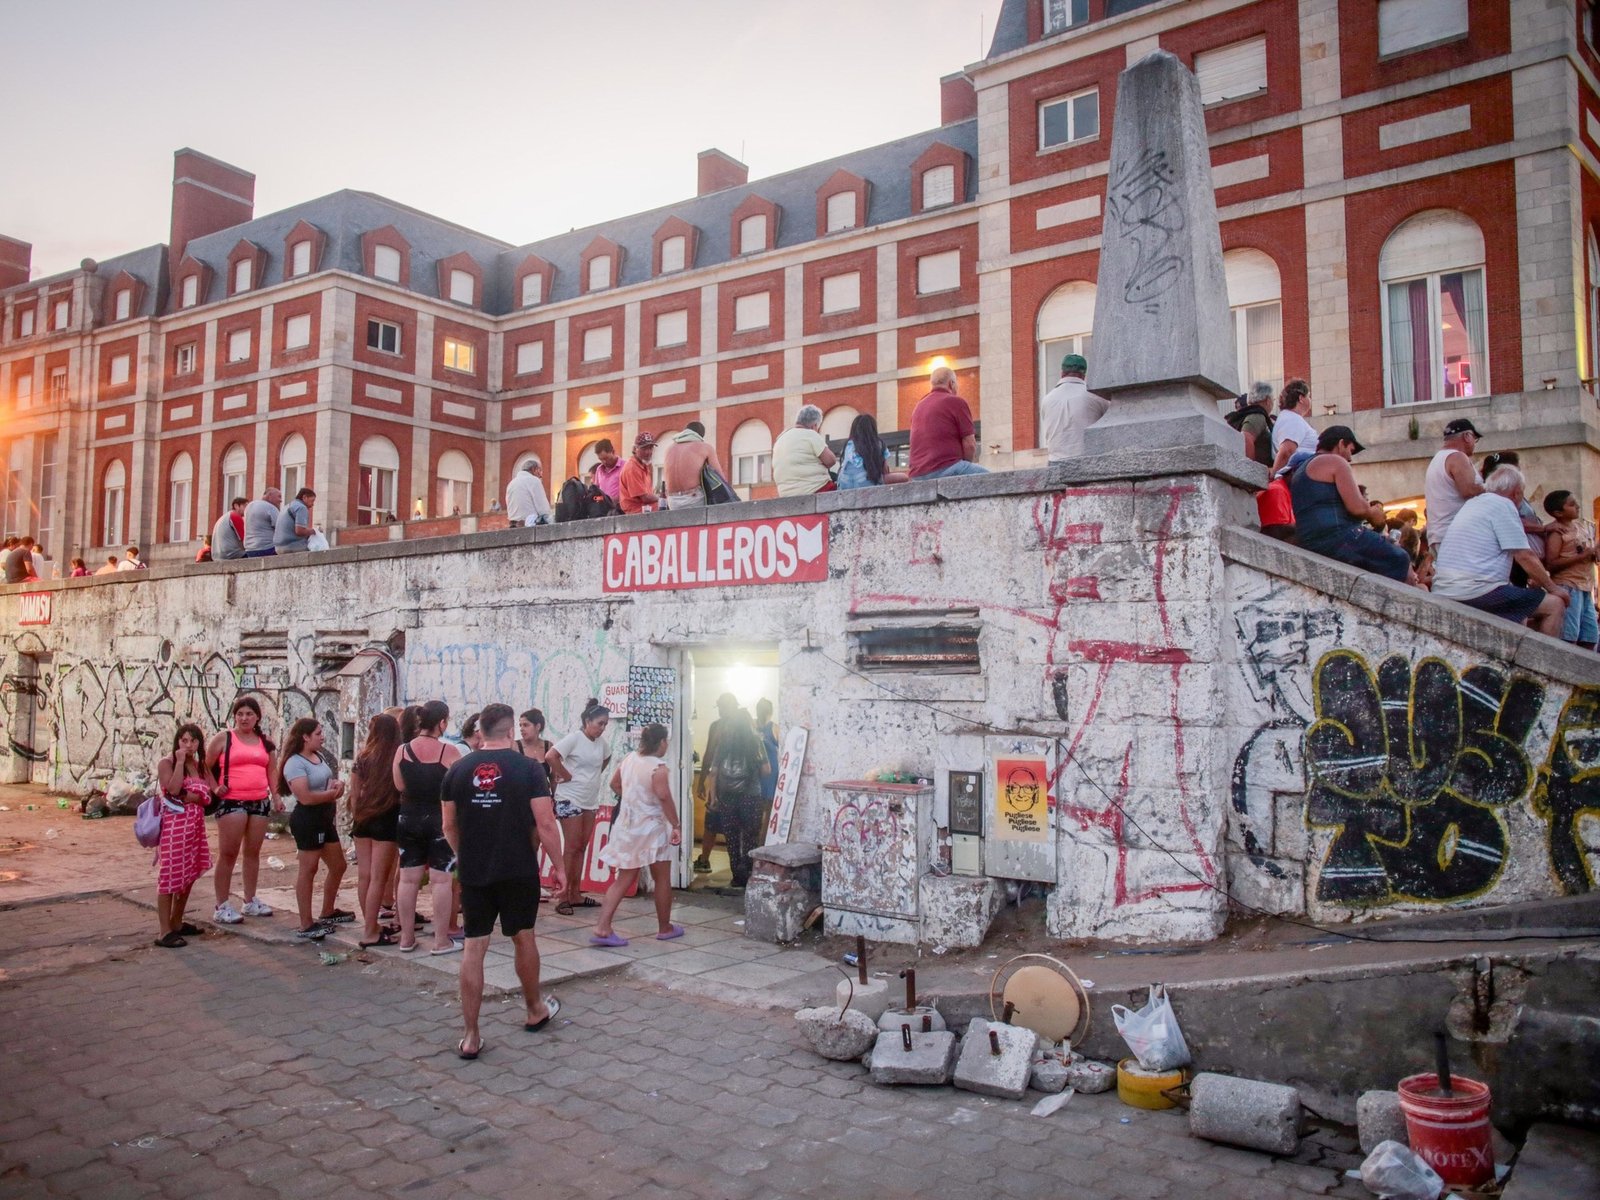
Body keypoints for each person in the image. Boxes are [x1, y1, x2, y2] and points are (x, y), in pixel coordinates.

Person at [440, 703, 563, 1060]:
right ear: (510, 732)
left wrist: (467, 853)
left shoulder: (458, 769)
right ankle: (534, 1008)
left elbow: (448, 825)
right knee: (523, 938)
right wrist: (560, 866)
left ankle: (471, 1036)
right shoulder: (528, 769)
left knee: (473, 948)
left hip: (475, 872)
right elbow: (545, 823)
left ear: (480, 731)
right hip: (518, 869)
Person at [1433, 465, 1567, 635]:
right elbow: (1524, 556)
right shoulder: (1504, 505)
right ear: (1517, 492)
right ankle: (1544, 660)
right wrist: (1553, 588)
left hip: (1445, 588)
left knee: (1521, 608)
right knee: (1555, 604)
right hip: (1474, 592)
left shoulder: (1472, 504)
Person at [590, 723, 683, 947]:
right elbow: (663, 796)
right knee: (662, 878)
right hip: (651, 828)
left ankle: (603, 927)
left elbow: (614, 784)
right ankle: (665, 927)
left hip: (628, 826)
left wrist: (632, 799)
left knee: (624, 877)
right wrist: (676, 824)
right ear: (661, 742)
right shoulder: (658, 767)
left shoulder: (630, 759)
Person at [1287, 427, 1412, 582]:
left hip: (1310, 540)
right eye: (1350, 451)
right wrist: (1374, 513)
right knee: (1400, 557)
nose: (1350, 459)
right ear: (1341, 444)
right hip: (1337, 537)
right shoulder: (1335, 461)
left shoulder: (1301, 470)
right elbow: (1358, 508)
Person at [392, 700, 462, 954]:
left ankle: (406, 938)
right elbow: (458, 790)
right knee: (441, 881)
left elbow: (399, 785)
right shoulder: (450, 752)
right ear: (442, 723)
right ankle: (441, 940)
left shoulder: (402, 751)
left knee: (408, 879)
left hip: (408, 817)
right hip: (439, 818)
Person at [204, 697, 277, 925]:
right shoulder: (224, 738)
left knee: (253, 852)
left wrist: (275, 795)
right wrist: (215, 787)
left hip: (259, 801)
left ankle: (249, 899)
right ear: (234, 716)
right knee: (228, 853)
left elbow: (272, 769)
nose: (244, 718)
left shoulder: (265, 743)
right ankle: (222, 904)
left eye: (249, 714)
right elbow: (205, 766)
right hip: (232, 801)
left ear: (257, 717)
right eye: (240, 714)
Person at [278, 717, 348, 941]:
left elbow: (325, 782)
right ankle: (305, 923)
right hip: (308, 819)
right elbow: (305, 797)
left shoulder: (318, 756)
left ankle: (327, 911)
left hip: (325, 818)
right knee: (308, 870)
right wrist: (332, 795)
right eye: (318, 733)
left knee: (338, 865)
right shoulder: (294, 763)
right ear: (305, 737)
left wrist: (337, 786)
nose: (322, 737)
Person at [544, 699, 612, 915]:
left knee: (581, 847)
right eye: (599, 723)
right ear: (587, 721)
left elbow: (606, 760)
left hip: (589, 800)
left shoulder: (602, 744)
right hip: (569, 798)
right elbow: (551, 756)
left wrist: (590, 778)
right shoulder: (574, 738)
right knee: (571, 847)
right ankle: (562, 895)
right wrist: (566, 775)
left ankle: (575, 892)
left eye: (605, 725)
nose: (602, 728)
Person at [153, 723, 212, 948]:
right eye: (184, 740)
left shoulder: (198, 765)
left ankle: (177, 921)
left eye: (193, 740)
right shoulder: (167, 763)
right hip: (175, 827)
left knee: (189, 874)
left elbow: (208, 796)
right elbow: (174, 789)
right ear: (177, 741)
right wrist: (179, 763)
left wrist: (198, 798)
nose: (188, 745)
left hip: (195, 827)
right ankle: (164, 930)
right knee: (170, 876)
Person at [349, 712, 404, 947]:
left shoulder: (362, 757)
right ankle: (370, 931)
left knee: (364, 876)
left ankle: (369, 924)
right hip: (387, 818)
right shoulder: (397, 757)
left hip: (363, 818)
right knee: (379, 879)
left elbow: (354, 795)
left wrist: (357, 815)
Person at [707, 708, 770, 890]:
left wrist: (713, 797)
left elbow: (714, 772)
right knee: (750, 836)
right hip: (751, 795)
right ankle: (748, 874)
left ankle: (736, 876)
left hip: (727, 796)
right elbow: (767, 770)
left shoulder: (724, 742)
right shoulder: (756, 741)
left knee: (732, 837)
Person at [1542, 489, 1598, 649]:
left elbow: (1588, 551)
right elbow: (1551, 564)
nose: (1577, 507)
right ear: (1558, 513)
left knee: (1590, 637)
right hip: (1568, 586)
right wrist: (1583, 556)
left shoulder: (1580, 527)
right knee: (1569, 636)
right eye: (1572, 505)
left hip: (1585, 587)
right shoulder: (1557, 532)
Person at [909, 366, 987, 479]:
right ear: (951, 384)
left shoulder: (918, 407)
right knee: (996, 480)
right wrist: (967, 465)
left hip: (917, 475)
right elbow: (970, 444)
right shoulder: (956, 402)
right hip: (946, 468)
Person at [694, 693, 741, 874]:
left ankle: (726, 864)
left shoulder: (730, 727)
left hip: (725, 785)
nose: (721, 710)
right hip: (729, 785)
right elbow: (708, 754)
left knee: (720, 825)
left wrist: (703, 781)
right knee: (714, 823)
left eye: (722, 706)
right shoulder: (723, 726)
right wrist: (702, 781)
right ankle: (709, 860)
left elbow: (709, 754)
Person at [1422, 418, 1484, 551]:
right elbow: (1468, 490)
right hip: (1457, 536)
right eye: (1475, 438)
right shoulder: (1457, 457)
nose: (1474, 443)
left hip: (1439, 535)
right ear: (1467, 436)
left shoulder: (1437, 459)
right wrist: (1491, 487)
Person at [1040, 354, 1109, 462]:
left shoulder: (1046, 400)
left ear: (1062, 373)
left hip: (1055, 464)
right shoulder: (1097, 397)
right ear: (1084, 375)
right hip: (1087, 463)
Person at [772, 404, 838, 496]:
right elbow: (831, 461)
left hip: (785, 494)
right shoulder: (810, 434)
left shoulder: (780, 439)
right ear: (814, 426)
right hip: (814, 489)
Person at [662, 422, 731, 509]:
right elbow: (720, 477)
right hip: (693, 498)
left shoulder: (669, 448)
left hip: (672, 500)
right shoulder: (705, 447)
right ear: (700, 436)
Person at [835, 413, 909, 490]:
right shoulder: (877, 444)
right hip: (867, 482)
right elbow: (885, 471)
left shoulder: (847, 445)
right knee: (904, 477)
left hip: (844, 486)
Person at [1268, 379, 1317, 477]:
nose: (1310, 400)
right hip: (1302, 476)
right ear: (1301, 398)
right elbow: (1287, 451)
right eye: (1308, 396)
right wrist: (1274, 477)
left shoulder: (1289, 418)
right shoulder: (1292, 419)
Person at [1226, 381, 1277, 467]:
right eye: (1273, 399)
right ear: (1268, 400)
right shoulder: (1257, 416)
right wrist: (1251, 469)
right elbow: (1246, 438)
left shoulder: (1248, 414)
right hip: (1256, 474)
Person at [755, 697, 780, 833]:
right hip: (757, 771)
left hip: (770, 772)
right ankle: (758, 838)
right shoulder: (752, 726)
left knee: (768, 807)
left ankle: (763, 839)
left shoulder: (774, 728)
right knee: (758, 807)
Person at [617, 433, 659, 514]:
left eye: (650, 448)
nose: (648, 452)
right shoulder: (632, 468)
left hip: (645, 508)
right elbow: (645, 498)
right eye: (644, 448)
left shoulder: (643, 464)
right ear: (635, 449)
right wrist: (663, 498)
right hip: (636, 511)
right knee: (667, 505)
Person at [505, 458, 552, 527]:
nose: (540, 475)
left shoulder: (511, 483)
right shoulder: (534, 480)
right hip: (529, 525)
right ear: (533, 469)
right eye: (539, 470)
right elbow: (543, 508)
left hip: (513, 526)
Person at [274, 486, 316, 553]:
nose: (313, 504)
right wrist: (314, 531)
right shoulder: (301, 507)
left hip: (278, 547)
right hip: (292, 546)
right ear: (305, 497)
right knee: (317, 550)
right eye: (312, 501)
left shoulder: (288, 506)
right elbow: (300, 531)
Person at [242, 487, 281, 557]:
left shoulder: (249, 506)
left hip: (249, 550)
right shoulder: (271, 507)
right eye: (279, 497)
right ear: (270, 496)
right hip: (267, 548)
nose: (281, 500)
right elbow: (281, 528)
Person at [210, 497, 247, 561]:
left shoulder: (224, 517)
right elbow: (244, 539)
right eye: (244, 506)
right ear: (236, 506)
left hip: (217, 555)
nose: (246, 509)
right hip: (231, 554)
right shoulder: (235, 516)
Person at [591, 439, 625, 506]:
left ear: (613, 452)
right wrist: (601, 500)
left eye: (606, 458)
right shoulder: (599, 470)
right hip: (604, 511)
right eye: (601, 459)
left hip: (621, 510)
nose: (604, 462)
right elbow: (596, 494)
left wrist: (613, 500)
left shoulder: (625, 467)